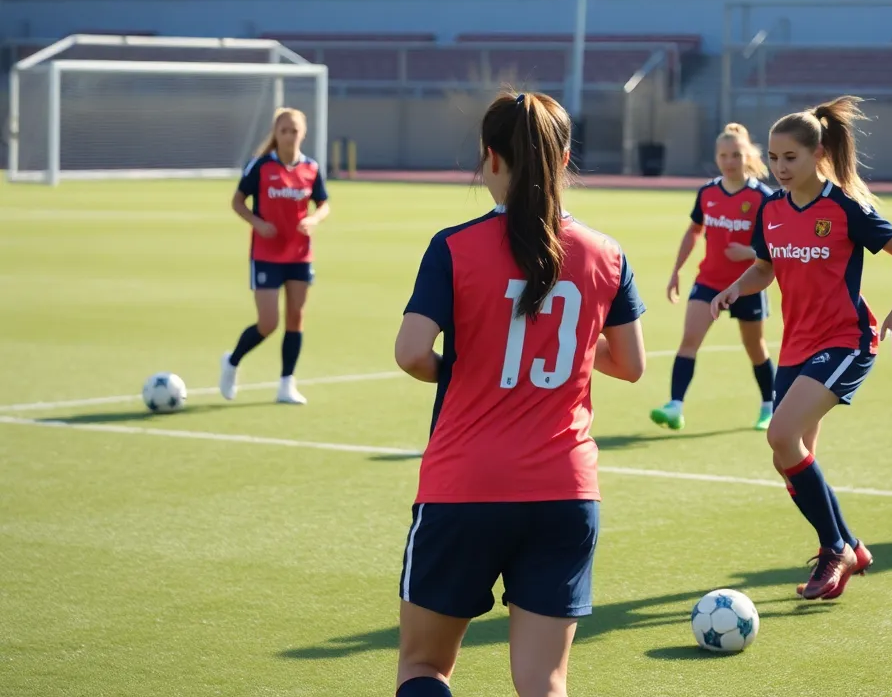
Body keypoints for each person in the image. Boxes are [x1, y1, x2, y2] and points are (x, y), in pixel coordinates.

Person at [392, 91, 647, 697]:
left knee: (424, 669)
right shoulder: (606, 253)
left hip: (464, 486)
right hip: (564, 489)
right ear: (563, 162)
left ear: (490, 160)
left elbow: (410, 353)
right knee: (544, 683)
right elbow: (631, 365)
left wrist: (458, 371)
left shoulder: (453, 246)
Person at [710, 96, 892, 601]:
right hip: (797, 346)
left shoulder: (844, 206)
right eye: (775, 158)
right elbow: (766, 267)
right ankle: (850, 545)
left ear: (817, 154)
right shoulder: (772, 210)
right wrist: (737, 287)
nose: (780, 168)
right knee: (792, 458)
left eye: (791, 158)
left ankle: (835, 549)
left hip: (846, 339)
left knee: (780, 435)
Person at [650, 123, 776, 432]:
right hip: (708, 281)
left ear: (747, 155)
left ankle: (768, 406)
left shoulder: (762, 197)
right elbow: (695, 230)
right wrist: (677, 270)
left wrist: (748, 252)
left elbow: (774, 244)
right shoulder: (707, 192)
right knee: (689, 341)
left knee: (755, 347)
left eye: (735, 154)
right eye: (723, 155)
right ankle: (675, 406)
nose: (729, 161)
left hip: (748, 284)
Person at [219, 107, 329, 405]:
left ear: (303, 134)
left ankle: (286, 384)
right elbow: (238, 201)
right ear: (276, 134)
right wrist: (257, 223)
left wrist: (314, 220)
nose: (290, 136)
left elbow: (324, 203)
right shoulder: (261, 167)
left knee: (296, 318)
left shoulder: (311, 168)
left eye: (295, 130)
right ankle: (232, 361)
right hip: (267, 255)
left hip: (300, 255)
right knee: (268, 322)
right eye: (284, 130)